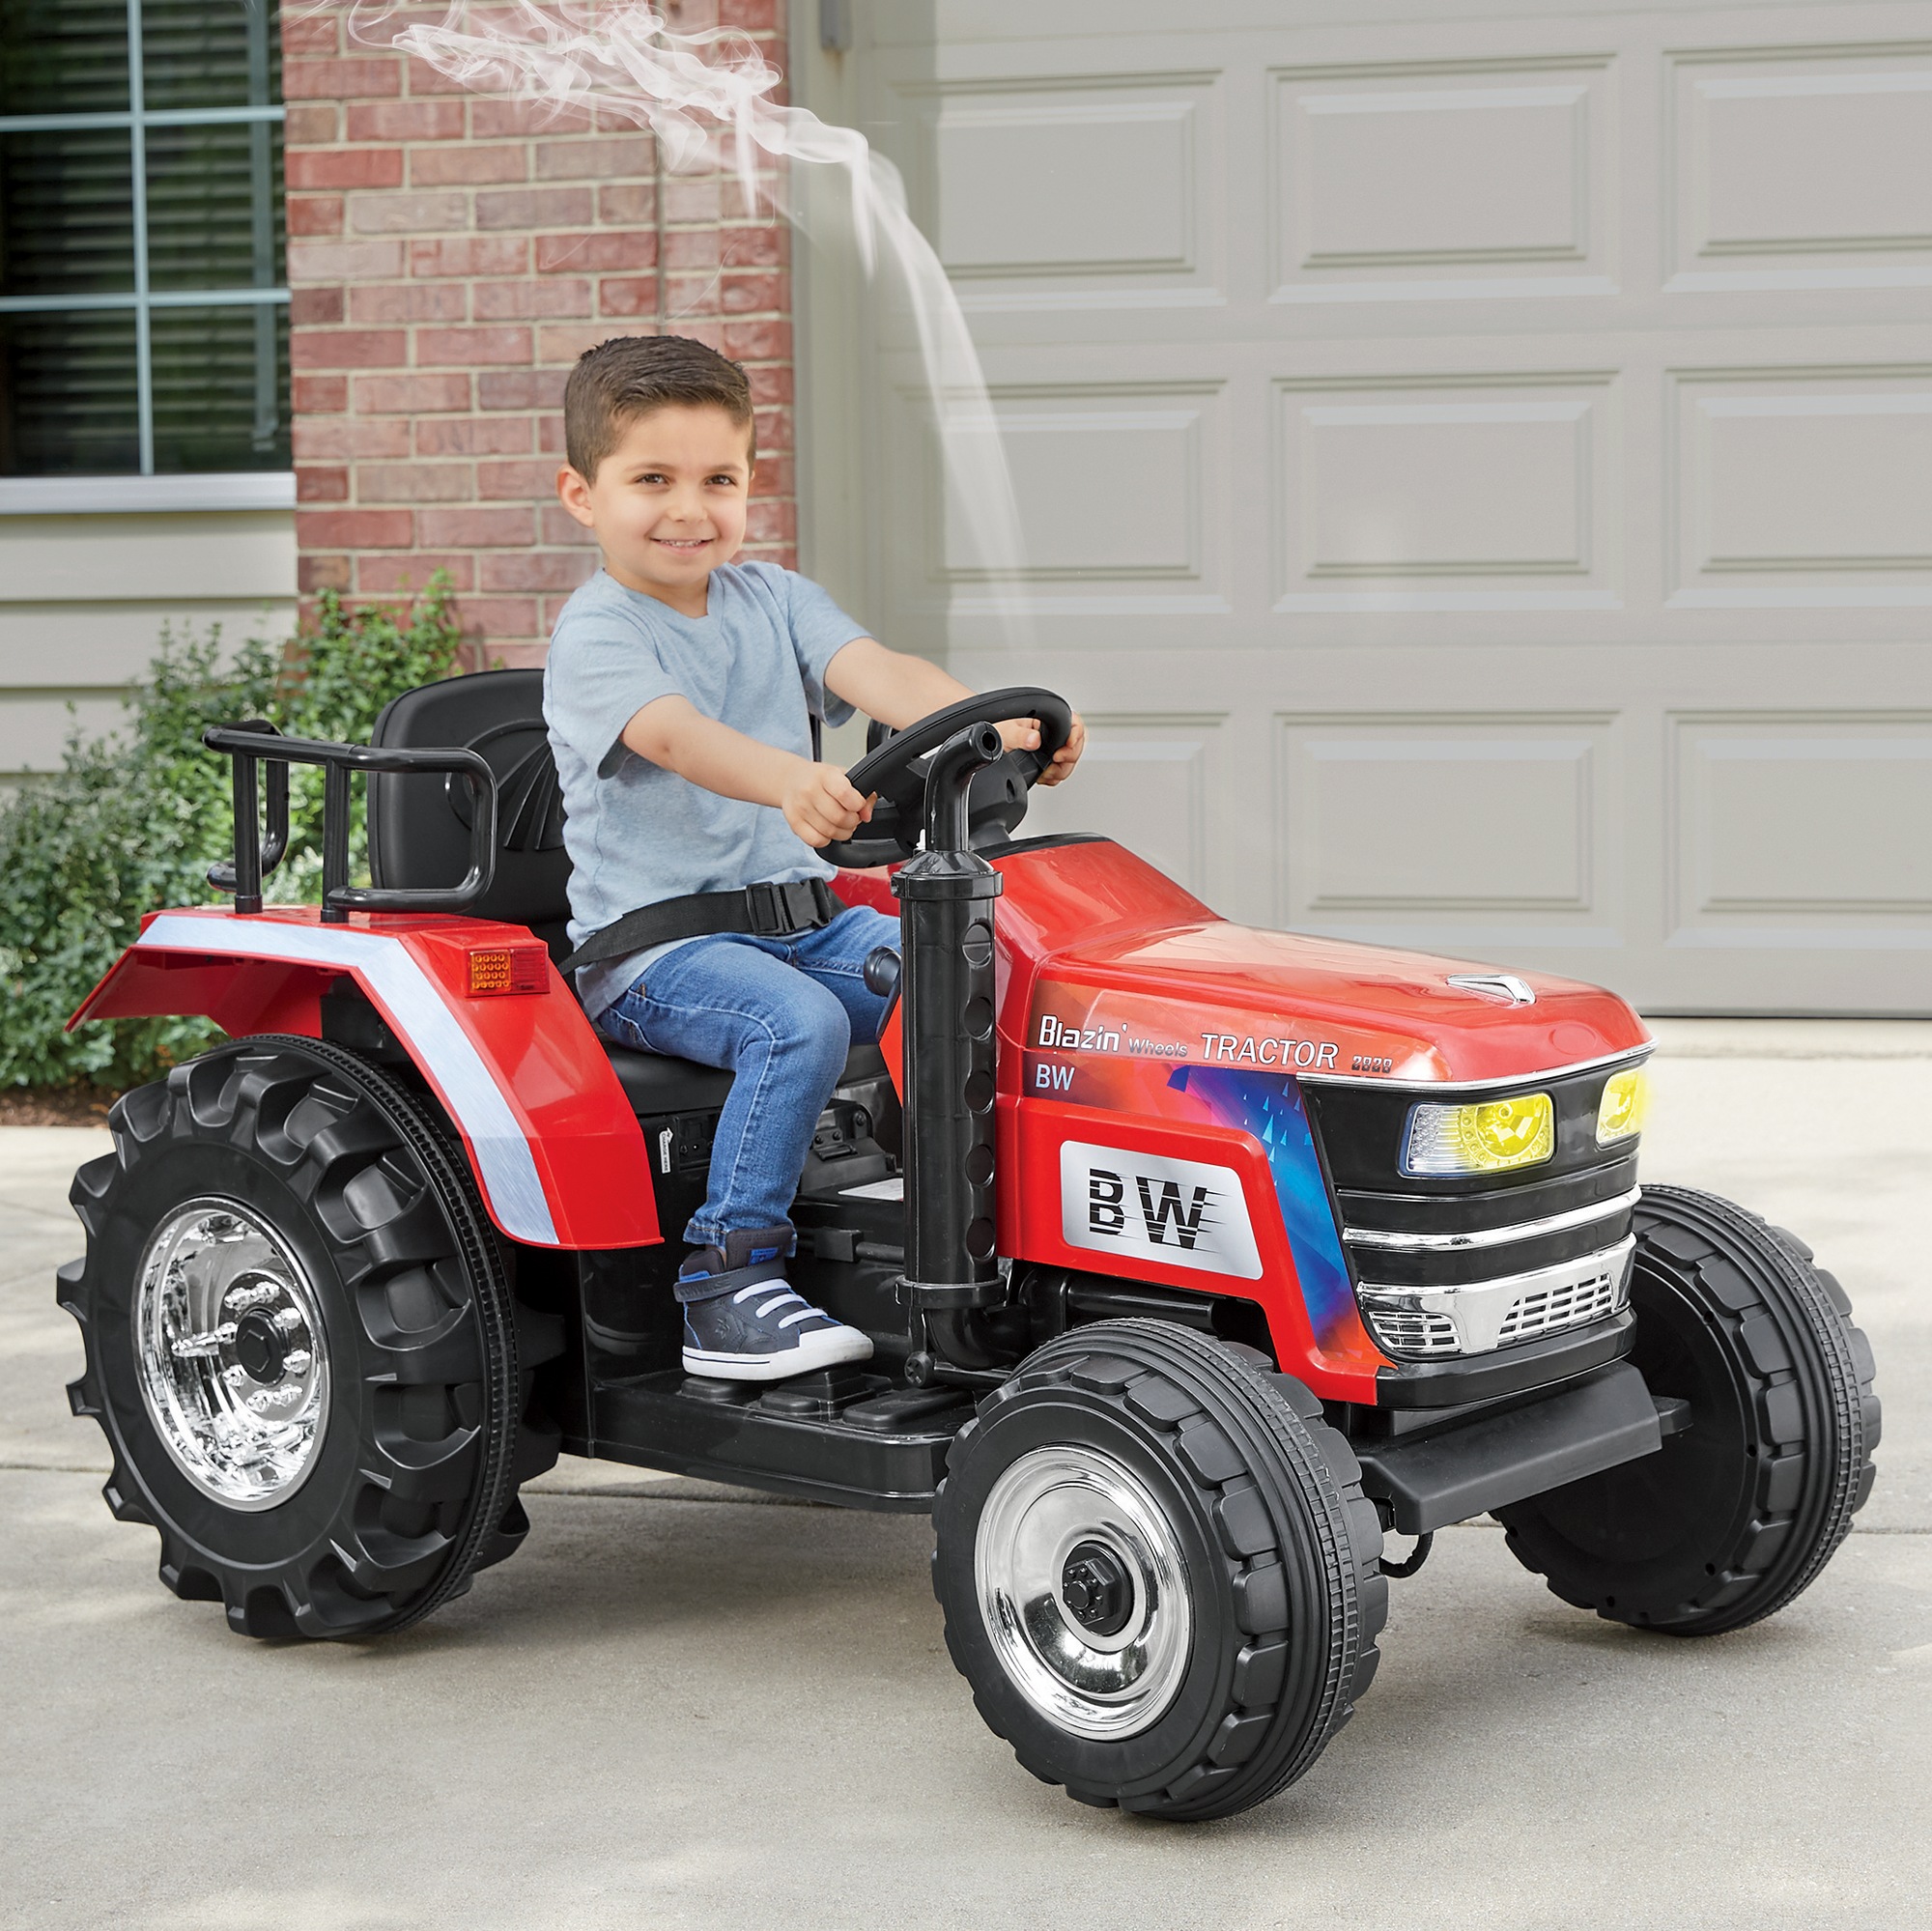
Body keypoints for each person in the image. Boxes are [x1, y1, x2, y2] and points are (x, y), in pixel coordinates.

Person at [544, 334, 1085, 1382]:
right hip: (651, 954)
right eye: (650, 480)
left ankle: (972, 1226)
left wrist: (997, 728)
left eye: (717, 480)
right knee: (797, 1023)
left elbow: (879, 672)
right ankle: (725, 1279)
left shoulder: (773, 600)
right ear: (581, 494)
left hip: (799, 924)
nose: (687, 509)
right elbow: (670, 735)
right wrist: (788, 780)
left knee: (976, 971)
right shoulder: (597, 631)